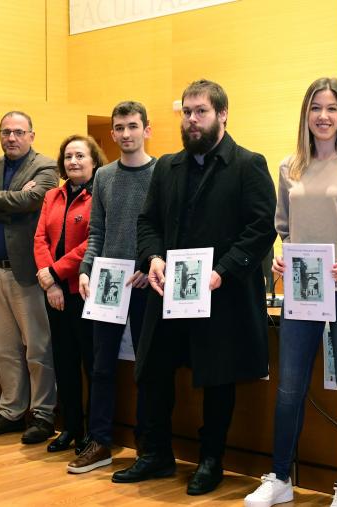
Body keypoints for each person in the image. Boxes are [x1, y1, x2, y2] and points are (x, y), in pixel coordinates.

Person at [114, 80, 276, 496]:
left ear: (222, 114)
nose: (191, 119)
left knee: (216, 379)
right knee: (152, 372)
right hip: (168, 289)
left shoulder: (248, 164)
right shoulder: (168, 166)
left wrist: (222, 271)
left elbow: (260, 230)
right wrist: (152, 258)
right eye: (186, 111)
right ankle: (155, 455)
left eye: (200, 111)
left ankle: (211, 460)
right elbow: (147, 222)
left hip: (221, 294)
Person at [244, 77, 337, 507]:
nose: (324, 116)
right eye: (316, 108)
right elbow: (283, 228)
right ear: (306, 114)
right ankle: (279, 478)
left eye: (332, 108)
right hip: (303, 291)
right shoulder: (290, 167)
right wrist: (283, 257)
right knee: (288, 388)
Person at [69, 101, 155, 474]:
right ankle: (100, 441)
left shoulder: (162, 173)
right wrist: (86, 270)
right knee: (102, 367)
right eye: (119, 128)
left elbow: (166, 231)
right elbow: (97, 232)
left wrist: (149, 264)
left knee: (146, 370)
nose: (125, 134)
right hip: (106, 282)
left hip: (146, 283)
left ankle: (148, 448)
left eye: (132, 126)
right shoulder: (103, 176)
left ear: (146, 130)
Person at [0, 111, 60, 444]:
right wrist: (11, 201)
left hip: (29, 272)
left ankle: (44, 414)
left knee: (37, 346)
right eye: (6, 132)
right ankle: (11, 411)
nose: (12, 137)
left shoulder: (47, 167)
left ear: (31, 135)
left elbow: (36, 200)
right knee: (4, 348)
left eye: (19, 132)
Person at [33, 135, 106, 452]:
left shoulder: (98, 195)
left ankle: (94, 433)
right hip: (55, 293)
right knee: (64, 363)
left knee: (91, 364)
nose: (73, 162)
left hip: (85, 293)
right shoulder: (53, 195)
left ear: (94, 160)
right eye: (68, 156)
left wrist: (56, 273)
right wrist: (50, 283)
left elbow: (93, 243)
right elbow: (39, 239)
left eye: (80, 156)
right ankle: (71, 428)